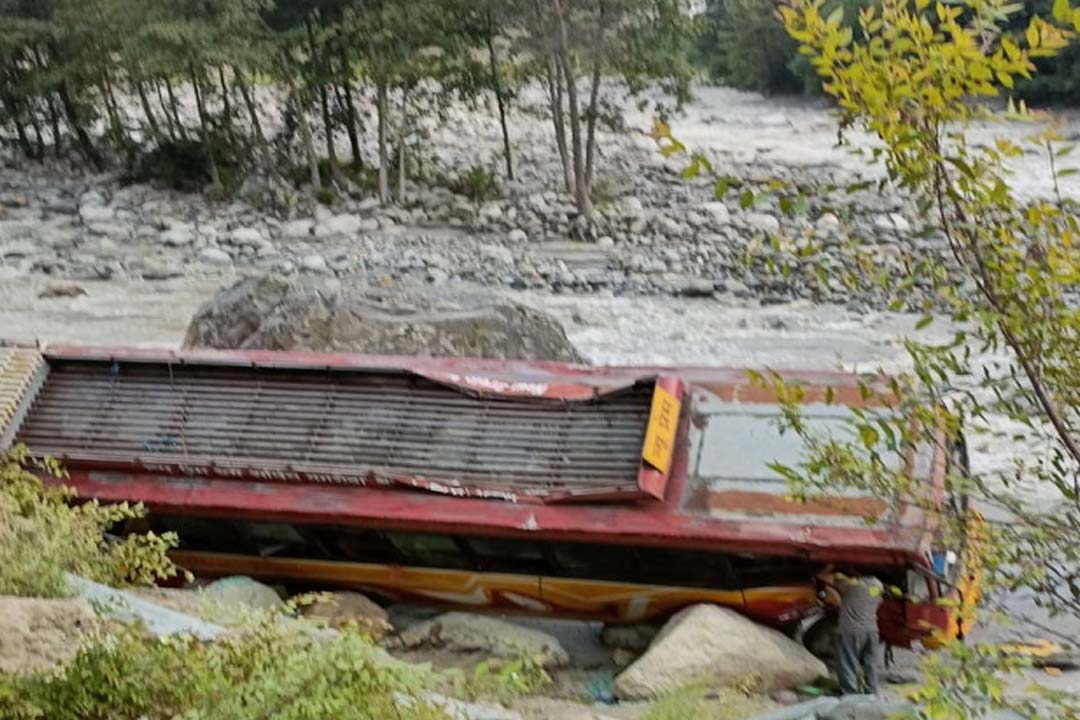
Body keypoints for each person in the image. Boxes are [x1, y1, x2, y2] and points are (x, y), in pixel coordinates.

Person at [817, 565, 884, 696]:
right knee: (870, 664)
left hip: (850, 630)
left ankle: (850, 694)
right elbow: (880, 601)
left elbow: (821, 577)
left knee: (848, 662)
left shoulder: (852, 585)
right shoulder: (878, 586)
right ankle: (872, 693)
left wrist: (830, 566)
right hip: (872, 630)